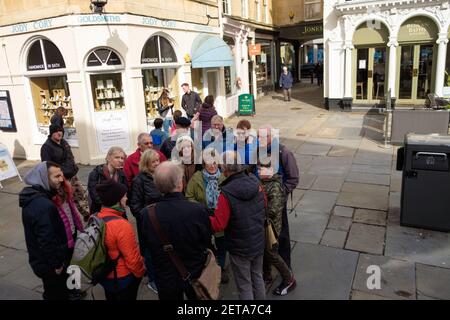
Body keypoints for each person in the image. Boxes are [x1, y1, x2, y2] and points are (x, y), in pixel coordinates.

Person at [140, 161, 212, 300]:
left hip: (165, 276)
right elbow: (206, 241)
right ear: (180, 184)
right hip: (195, 272)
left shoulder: (146, 214)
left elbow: (145, 247)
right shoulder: (198, 210)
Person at [19, 161, 84, 300]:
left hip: (44, 262)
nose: (62, 179)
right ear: (44, 178)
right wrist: (57, 264)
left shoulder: (35, 199)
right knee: (55, 294)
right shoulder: (44, 205)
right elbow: (46, 239)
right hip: (50, 265)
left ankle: (73, 290)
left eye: (61, 175)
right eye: (56, 176)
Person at [210, 151, 266, 300]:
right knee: (257, 277)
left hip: (239, 246)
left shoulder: (226, 194)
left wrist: (204, 216)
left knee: (244, 284)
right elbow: (264, 204)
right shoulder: (255, 181)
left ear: (224, 169)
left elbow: (218, 224)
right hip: (258, 240)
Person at [96, 179, 145, 300]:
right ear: (116, 200)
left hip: (105, 274)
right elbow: (132, 258)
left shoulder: (97, 217)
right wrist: (140, 273)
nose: (126, 199)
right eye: (124, 196)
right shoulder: (121, 225)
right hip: (122, 278)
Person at [258, 125, 299, 269]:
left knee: (281, 235)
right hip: (262, 200)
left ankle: (286, 268)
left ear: (272, 137)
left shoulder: (284, 152)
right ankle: (267, 269)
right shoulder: (258, 151)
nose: (261, 139)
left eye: (264, 136)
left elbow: (293, 178)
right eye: (259, 136)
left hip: (278, 200)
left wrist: (282, 193)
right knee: (265, 234)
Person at [185, 148, 228, 282]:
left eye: (215, 162)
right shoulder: (197, 177)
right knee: (206, 244)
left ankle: (220, 268)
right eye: (209, 162)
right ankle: (210, 267)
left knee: (222, 244)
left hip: (220, 217)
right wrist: (200, 208)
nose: (212, 165)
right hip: (203, 217)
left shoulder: (224, 177)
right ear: (203, 163)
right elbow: (189, 196)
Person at [258, 162, 297, 296]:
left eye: (261, 169)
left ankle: (289, 279)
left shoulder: (275, 186)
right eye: (258, 168)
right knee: (265, 252)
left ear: (270, 170)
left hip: (272, 228)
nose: (258, 171)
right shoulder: (263, 183)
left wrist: (256, 210)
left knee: (272, 254)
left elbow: (273, 210)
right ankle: (267, 275)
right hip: (263, 225)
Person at [129, 149, 163, 293]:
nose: (157, 163)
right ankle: (152, 280)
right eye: (154, 161)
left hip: (163, 221)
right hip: (148, 223)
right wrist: (148, 218)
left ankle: (160, 275)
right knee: (149, 251)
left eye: (158, 160)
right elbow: (135, 206)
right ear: (146, 163)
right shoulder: (139, 180)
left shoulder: (161, 176)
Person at [40, 124, 90, 220]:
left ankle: (88, 216)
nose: (59, 133)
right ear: (51, 133)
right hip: (61, 179)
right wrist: (58, 177)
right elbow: (47, 167)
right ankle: (68, 222)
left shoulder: (64, 142)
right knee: (65, 202)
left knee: (81, 196)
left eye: (61, 131)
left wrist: (74, 167)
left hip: (72, 175)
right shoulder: (46, 147)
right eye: (56, 131)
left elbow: (70, 156)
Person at [87, 146, 128, 215]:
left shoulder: (121, 174)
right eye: (117, 157)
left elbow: (125, 191)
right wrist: (109, 206)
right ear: (108, 158)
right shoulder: (96, 173)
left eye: (122, 158)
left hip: (119, 210)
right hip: (100, 211)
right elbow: (94, 194)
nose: (120, 160)